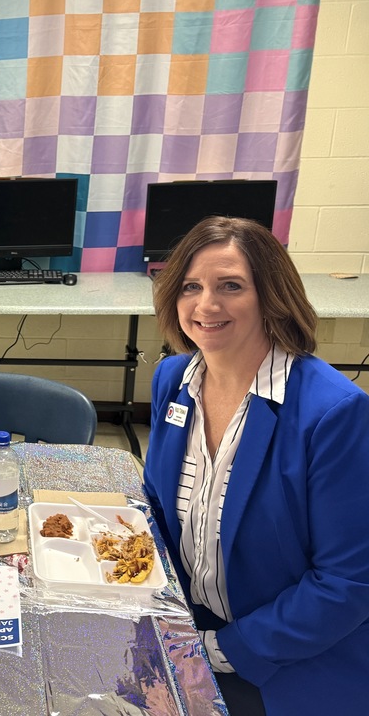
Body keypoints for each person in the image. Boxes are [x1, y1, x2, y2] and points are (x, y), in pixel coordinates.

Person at [143, 216, 369, 715]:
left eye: (231, 286)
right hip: (189, 624)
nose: (206, 305)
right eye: (190, 287)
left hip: (289, 661)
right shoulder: (172, 379)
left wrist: (217, 651)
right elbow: (158, 506)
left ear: (271, 296)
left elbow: (347, 586)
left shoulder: (333, 413)